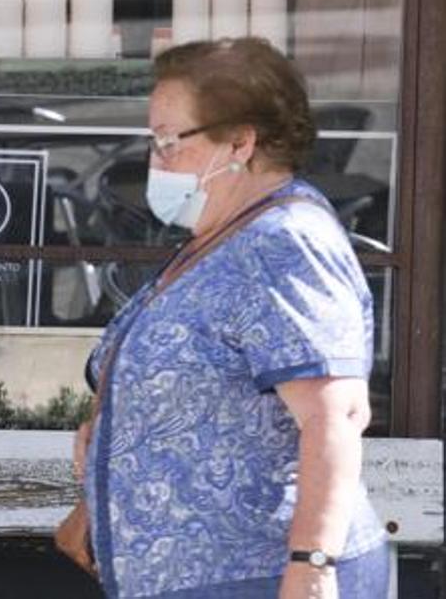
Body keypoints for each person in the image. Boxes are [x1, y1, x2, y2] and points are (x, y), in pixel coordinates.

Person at [72, 38, 389, 598]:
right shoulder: (220, 237)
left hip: (260, 575)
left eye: (168, 142)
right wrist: (95, 506)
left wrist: (311, 568)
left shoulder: (285, 242)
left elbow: (334, 415)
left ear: (241, 142)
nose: (154, 160)